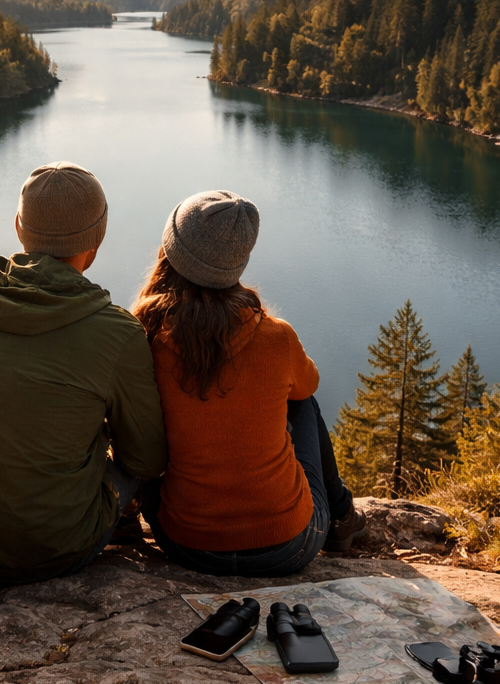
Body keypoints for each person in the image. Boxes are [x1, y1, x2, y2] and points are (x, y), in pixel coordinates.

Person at [0, 162, 167, 585]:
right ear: (96, 240)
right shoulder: (115, 332)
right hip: (50, 552)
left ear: (20, 227)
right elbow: (145, 459)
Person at [131, 190, 368, 576]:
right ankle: (343, 516)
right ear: (237, 263)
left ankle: (123, 516)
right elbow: (309, 386)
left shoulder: (144, 335)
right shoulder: (276, 337)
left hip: (187, 545)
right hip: (289, 547)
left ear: (171, 250)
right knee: (302, 401)